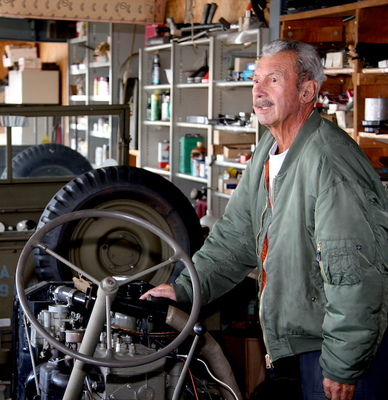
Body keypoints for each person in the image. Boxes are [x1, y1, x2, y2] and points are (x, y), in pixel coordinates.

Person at [141, 39, 388, 400]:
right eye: (256, 80)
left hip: (338, 351)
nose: (258, 90)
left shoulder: (331, 163)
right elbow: (236, 236)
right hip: (301, 342)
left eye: (273, 80)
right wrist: (186, 288)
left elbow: (354, 274)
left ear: (307, 91)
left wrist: (343, 363)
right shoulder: (267, 150)